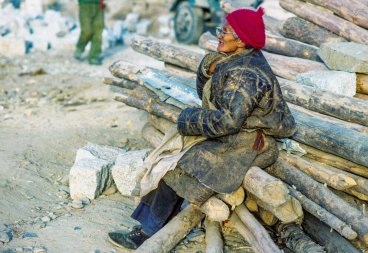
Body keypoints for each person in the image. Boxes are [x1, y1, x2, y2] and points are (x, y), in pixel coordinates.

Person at [108, 7, 296, 250]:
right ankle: (147, 226)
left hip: (249, 144)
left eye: (224, 31)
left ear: (241, 40)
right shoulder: (236, 61)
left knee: (178, 170)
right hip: (237, 136)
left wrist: (188, 119)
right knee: (170, 162)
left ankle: (147, 234)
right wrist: (208, 69)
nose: (219, 35)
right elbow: (210, 99)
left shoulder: (246, 75)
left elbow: (228, 121)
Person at [74, 0, 105, 65]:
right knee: (87, 31)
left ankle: (94, 56)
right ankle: (80, 47)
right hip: (85, 4)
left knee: (98, 31)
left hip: (99, 4)